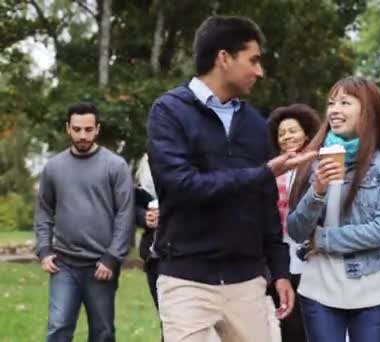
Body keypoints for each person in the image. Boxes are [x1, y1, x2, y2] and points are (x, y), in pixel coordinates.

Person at [146, 15, 316, 342]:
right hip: (186, 280)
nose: (259, 71)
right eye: (253, 60)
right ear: (224, 58)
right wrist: (264, 172)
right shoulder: (168, 112)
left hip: (246, 281)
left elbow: (266, 204)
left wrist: (279, 271)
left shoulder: (254, 124)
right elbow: (182, 187)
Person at [287, 76, 380, 342]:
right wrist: (317, 190)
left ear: (367, 110)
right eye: (331, 103)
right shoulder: (312, 160)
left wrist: (323, 239)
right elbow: (295, 230)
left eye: (344, 102)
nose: (334, 110)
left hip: (373, 288)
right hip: (319, 289)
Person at [34, 102, 135, 342]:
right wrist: (44, 249)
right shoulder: (54, 167)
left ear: (97, 129)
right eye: (77, 129)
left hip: (101, 266)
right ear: (68, 128)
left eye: (88, 129)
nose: (82, 135)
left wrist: (112, 257)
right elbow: (44, 211)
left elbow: (125, 213)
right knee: (58, 328)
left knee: (102, 333)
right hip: (64, 264)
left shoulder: (115, 166)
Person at [267, 103, 321, 342]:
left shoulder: (319, 166)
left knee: (317, 326)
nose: (287, 136)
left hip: (313, 258)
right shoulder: (273, 170)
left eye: (293, 130)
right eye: (282, 133)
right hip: (282, 261)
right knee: (290, 327)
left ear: (307, 133)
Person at [134, 153, 162, 339]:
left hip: (186, 255)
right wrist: (144, 217)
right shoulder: (145, 164)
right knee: (166, 320)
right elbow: (134, 206)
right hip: (155, 257)